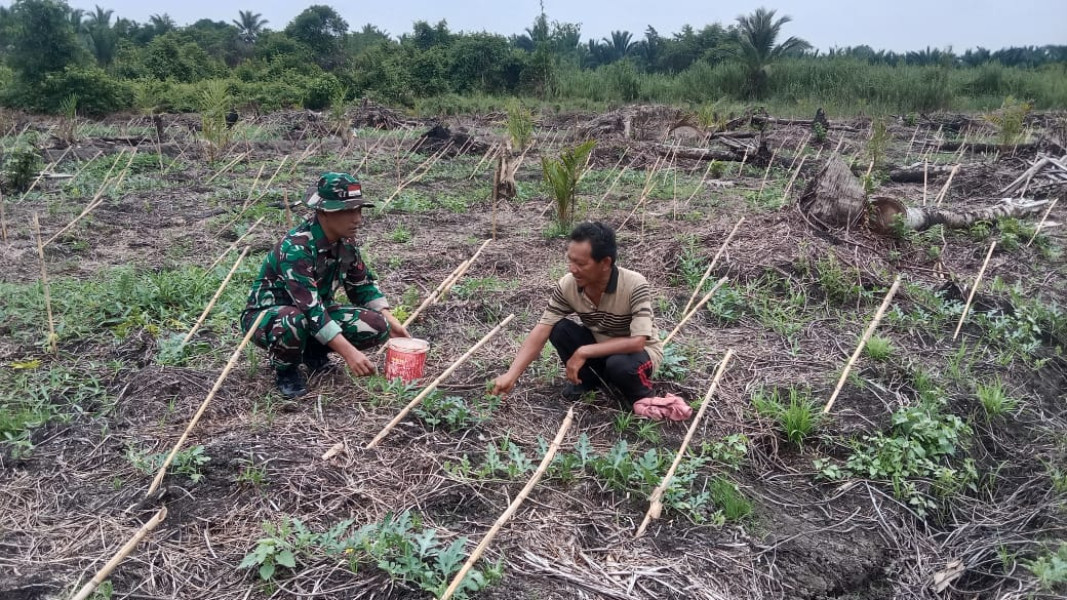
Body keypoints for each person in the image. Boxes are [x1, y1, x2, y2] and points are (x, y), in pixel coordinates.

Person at [241, 172, 409, 398]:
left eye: (358, 210)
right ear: (324, 212)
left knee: (376, 325)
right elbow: (310, 309)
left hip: (313, 314)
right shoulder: (296, 248)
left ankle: (313, 353)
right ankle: (285, 370)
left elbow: (362, 286)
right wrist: (349, 354)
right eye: (348, 211)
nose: (357, 219)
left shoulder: (345, 243)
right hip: (269, 319)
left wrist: (392, 322)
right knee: (294, 321)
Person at [492, 221, 664, 410]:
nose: (572, 268)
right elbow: (542, 329)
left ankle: (640, 396)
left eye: (580, 263)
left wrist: (583, 352)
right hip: (601, 349)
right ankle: (589, 381)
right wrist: (511, 375)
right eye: (570, 260)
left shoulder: (634, 285)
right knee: (559, 329)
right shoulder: (569, 285)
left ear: (605, 262)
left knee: (620, 365)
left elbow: (637, 342)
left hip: (637, 354)